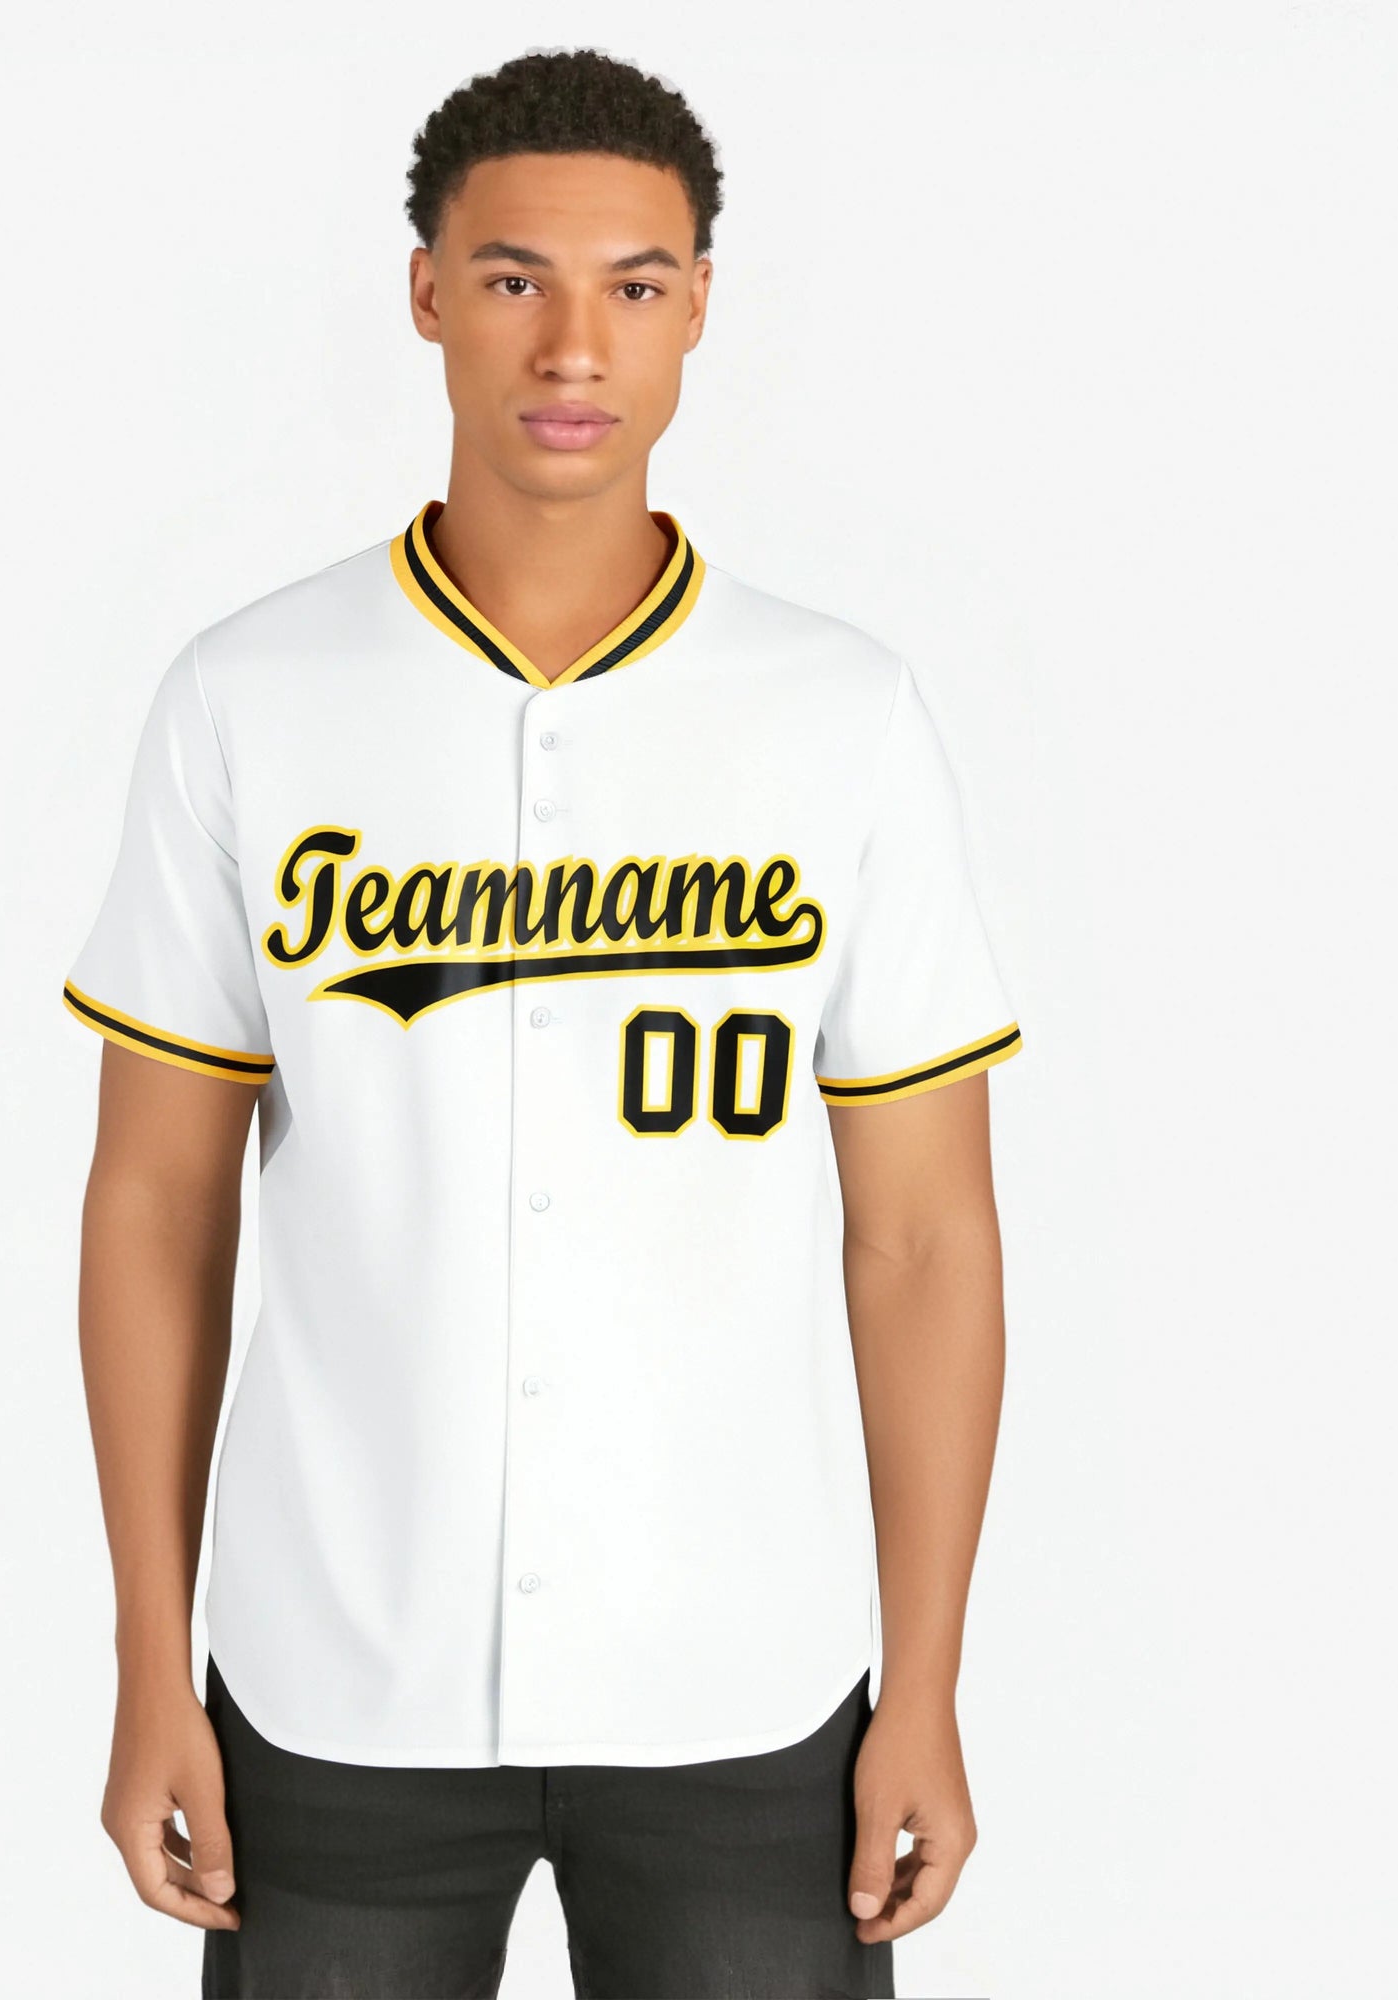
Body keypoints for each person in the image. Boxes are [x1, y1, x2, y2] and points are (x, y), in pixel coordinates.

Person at [64, 46, 1023, 2000]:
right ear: (427, 292)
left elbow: (923, 1232)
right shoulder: (251, 693)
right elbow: (156, 1205)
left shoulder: (840, 714)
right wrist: (152, 1664)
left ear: (699, 307)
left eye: (633, 283)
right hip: (335, 1682)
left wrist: (921, 1683)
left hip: (742, 1684)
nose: (574, 343)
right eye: (514, 278)